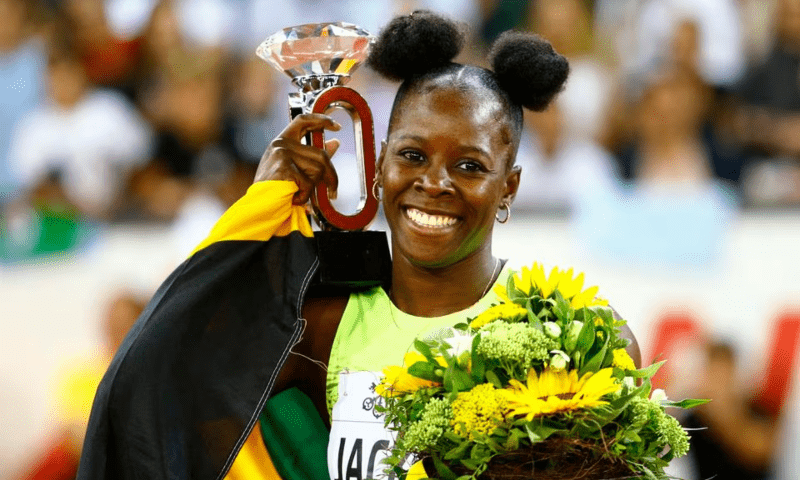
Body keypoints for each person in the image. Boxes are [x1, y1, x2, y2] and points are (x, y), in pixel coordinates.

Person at [77, 11, 640, 480]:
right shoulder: (325, 321)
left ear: (508, 187)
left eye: (469, 165)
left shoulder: (570, 334)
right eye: (412, 155)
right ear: (377, 164)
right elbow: (157, 374)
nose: (434, 183)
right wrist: (259, 207)